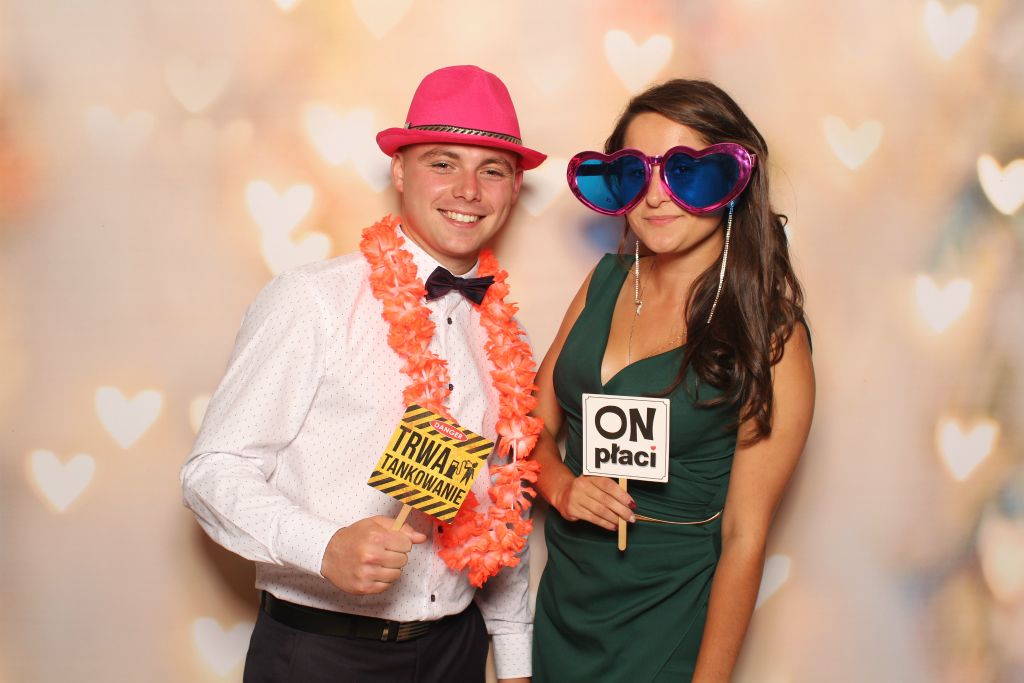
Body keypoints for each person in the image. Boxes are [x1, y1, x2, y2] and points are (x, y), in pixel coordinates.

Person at [181, 65, 546, 683]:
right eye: (443, 163)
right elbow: (213, 471)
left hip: (455, 652)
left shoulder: (505, 337)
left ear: (513, 188)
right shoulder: (313, 300)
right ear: (399, 171)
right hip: (323, 654)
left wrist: (513, 657)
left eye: (492, 170)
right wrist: (322, 546)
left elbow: (500, 503)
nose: (468, 190)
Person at [531, 79, 815, 682]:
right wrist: (561, 488)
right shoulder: (604, 281)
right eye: (636, 172)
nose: (657, 197)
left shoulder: (770, 335)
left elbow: (744, 536)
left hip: (670, 614)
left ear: (732, 179)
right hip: (569, 603)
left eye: (684, 171)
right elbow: (531, 425)